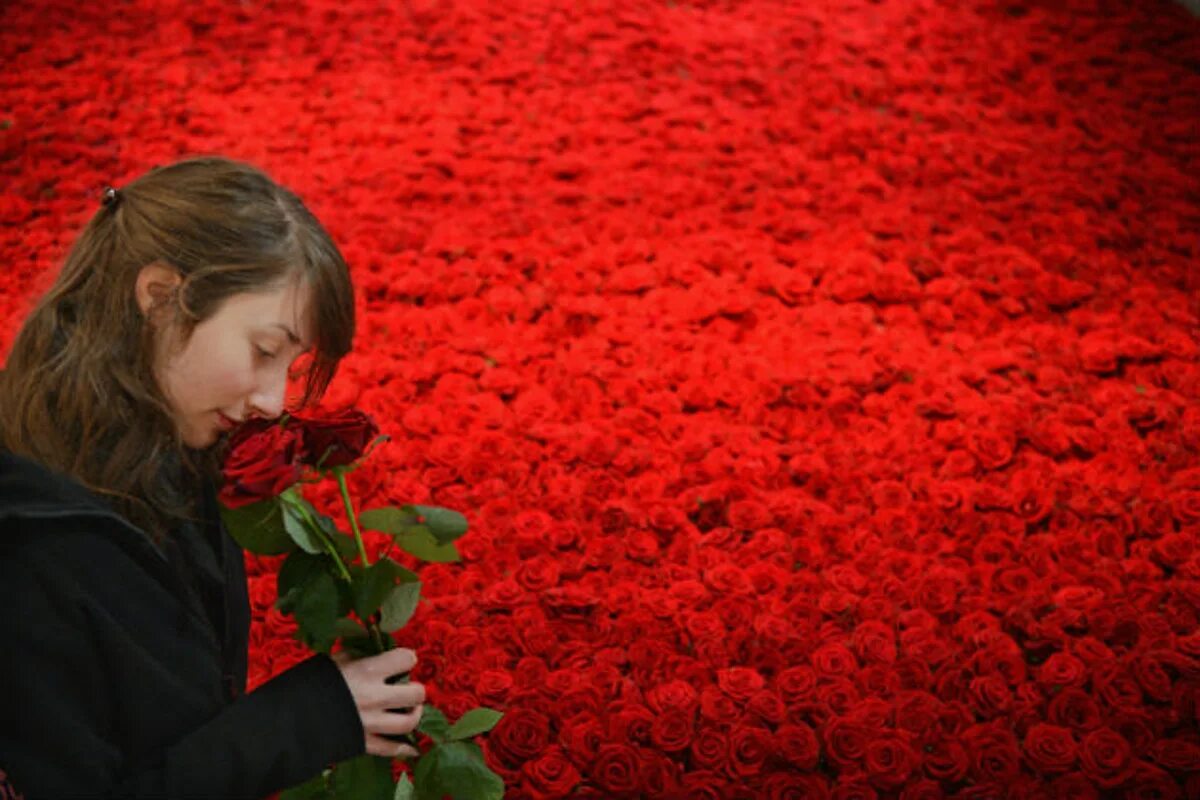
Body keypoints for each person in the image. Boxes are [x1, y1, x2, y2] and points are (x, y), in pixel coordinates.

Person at [0, 156, 425, 798]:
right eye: (263, 351)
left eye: (291, 363)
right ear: (162, 298)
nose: (275, 401)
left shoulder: (169, 447)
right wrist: (302, 722)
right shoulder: (28, 546)